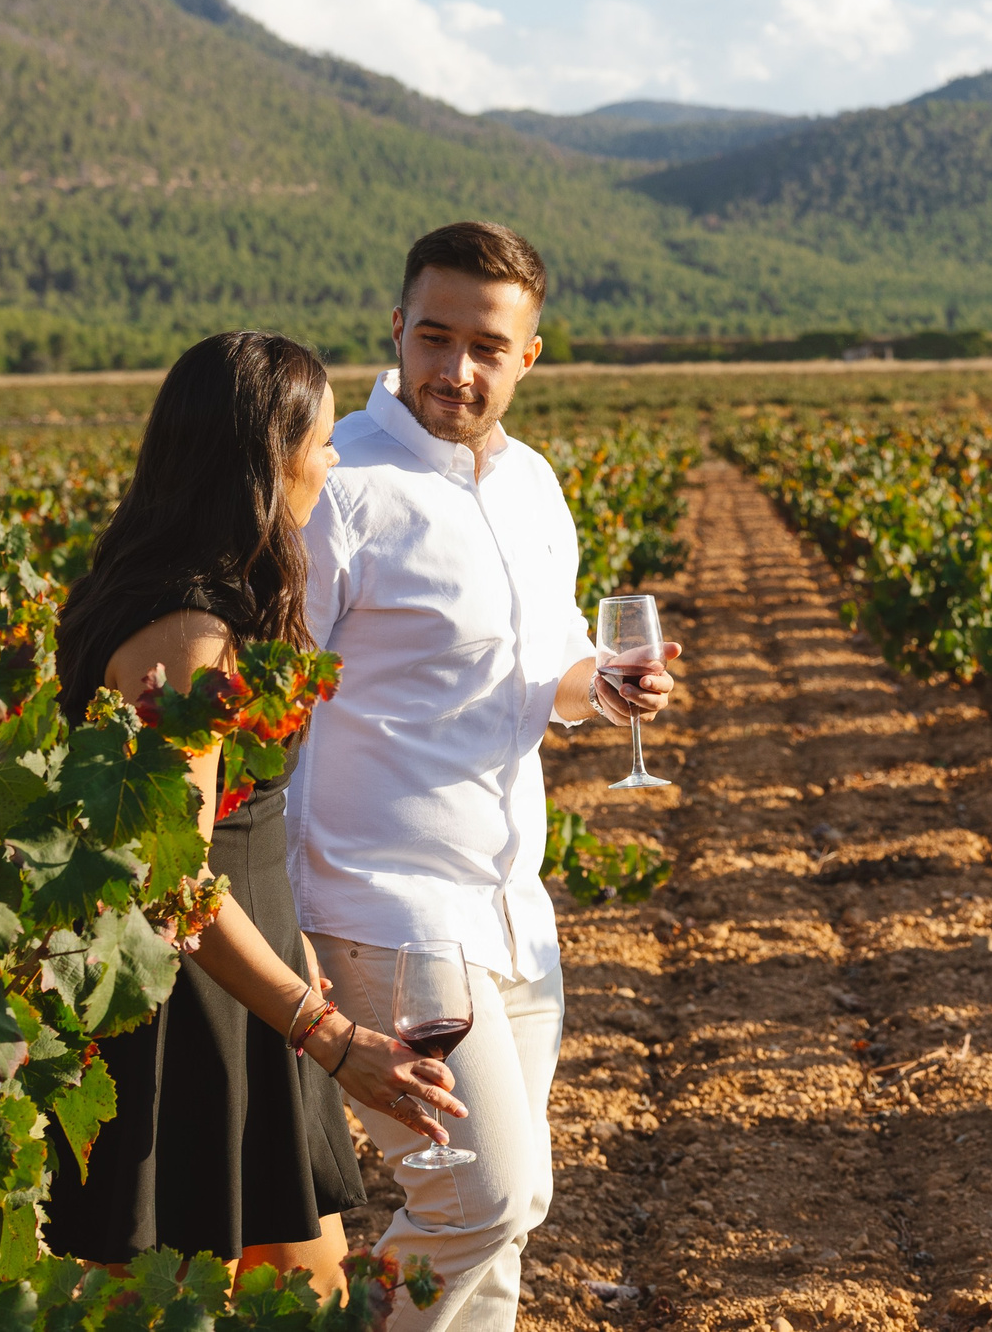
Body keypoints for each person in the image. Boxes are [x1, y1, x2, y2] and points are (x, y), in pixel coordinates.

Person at [292, 223, 680, 1332]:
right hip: (386, 907)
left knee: (504, 1226)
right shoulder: (340, 489)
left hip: (513, 906)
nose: (454, 371)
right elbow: (275, 719)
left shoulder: (533, 486)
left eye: (486, 347)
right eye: (434, 336)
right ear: (397, 330)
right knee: (481, 1195)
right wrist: (292, 928)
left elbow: (546, 668)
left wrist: (600, 690)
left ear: (530, 357)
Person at [45, 329, 470, 1292]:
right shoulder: (187, 634)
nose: (332, 461)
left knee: (293, 1292)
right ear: (265, 464)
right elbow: (175, 881)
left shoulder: (202, 603)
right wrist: (328, 1032)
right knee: (207, 1297)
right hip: (193, 1020)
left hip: (254, 990)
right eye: (320, 442)